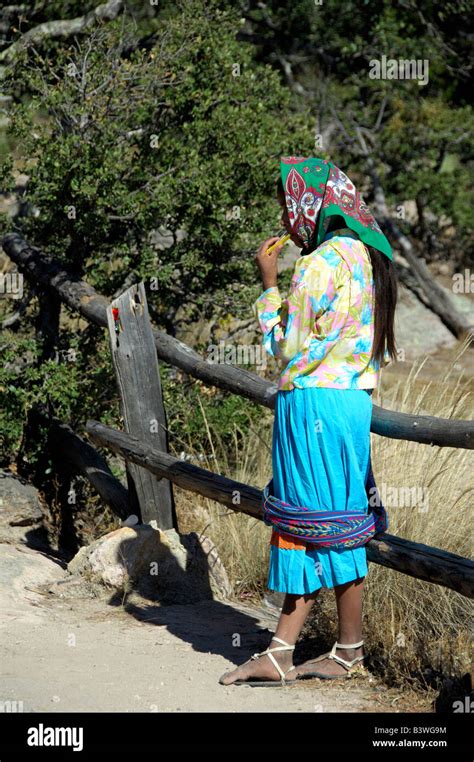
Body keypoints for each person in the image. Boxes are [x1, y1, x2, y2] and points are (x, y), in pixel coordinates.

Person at [219, 156, 398, 686]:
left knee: (304, 524)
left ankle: (290, 653)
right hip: (350, 406)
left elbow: (285, 348)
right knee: (339, 522)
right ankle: (341, 650)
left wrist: (268, 284)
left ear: (308, 205)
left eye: (285, 202)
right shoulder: (366, 259)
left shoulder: (319, 264)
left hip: (313, 405)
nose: (284, 213)